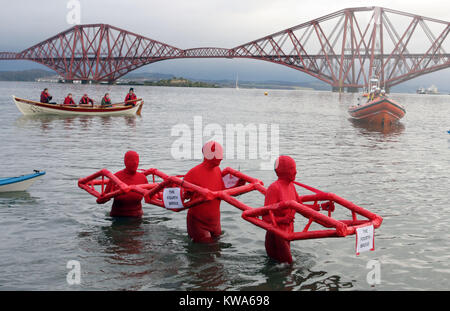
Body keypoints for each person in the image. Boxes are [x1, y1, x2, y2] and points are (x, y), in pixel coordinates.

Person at [183, 141, 225, 243]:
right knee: (206, 252)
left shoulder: (218, 171)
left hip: (215, 223)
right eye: (218, 154)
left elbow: (223, 193)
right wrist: (185, 193)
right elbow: (182, 196)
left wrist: (238, 184)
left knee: (217, 252)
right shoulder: (194, 173)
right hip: (198, 223)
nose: (221, 158)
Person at [263, 155, 299, 264]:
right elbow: (265, 218)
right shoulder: (274, 188)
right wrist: (282, 220)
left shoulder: (291, 186)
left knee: (285, 267)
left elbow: (302, 207)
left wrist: (321, 207)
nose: (296, 172)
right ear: (283, 171)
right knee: (288, 266)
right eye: (292, 169)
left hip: (286, 234)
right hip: (277, 236)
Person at [98, 150, 149, 217]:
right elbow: (101, 200)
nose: (135, 163)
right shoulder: (115, 178)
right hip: (118, 219)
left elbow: (151, 197)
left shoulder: (143, 178)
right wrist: (103, 198)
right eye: (132, 160)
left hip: (137, 219)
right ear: (125, 162)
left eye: (137, 160)